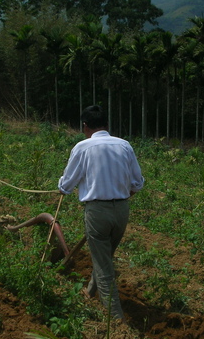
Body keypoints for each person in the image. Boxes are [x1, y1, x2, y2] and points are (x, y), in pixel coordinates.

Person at [58, 105, 144, 320]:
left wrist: (63, 187)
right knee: (104, 257)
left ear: (85, 126)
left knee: (105, 267)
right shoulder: (124, 146)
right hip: (122, 211)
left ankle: (115, 320)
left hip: (97, 211)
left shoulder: (83, 147)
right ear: (106, 124)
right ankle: (90, 291)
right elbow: (138, 183)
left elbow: (66, 185)